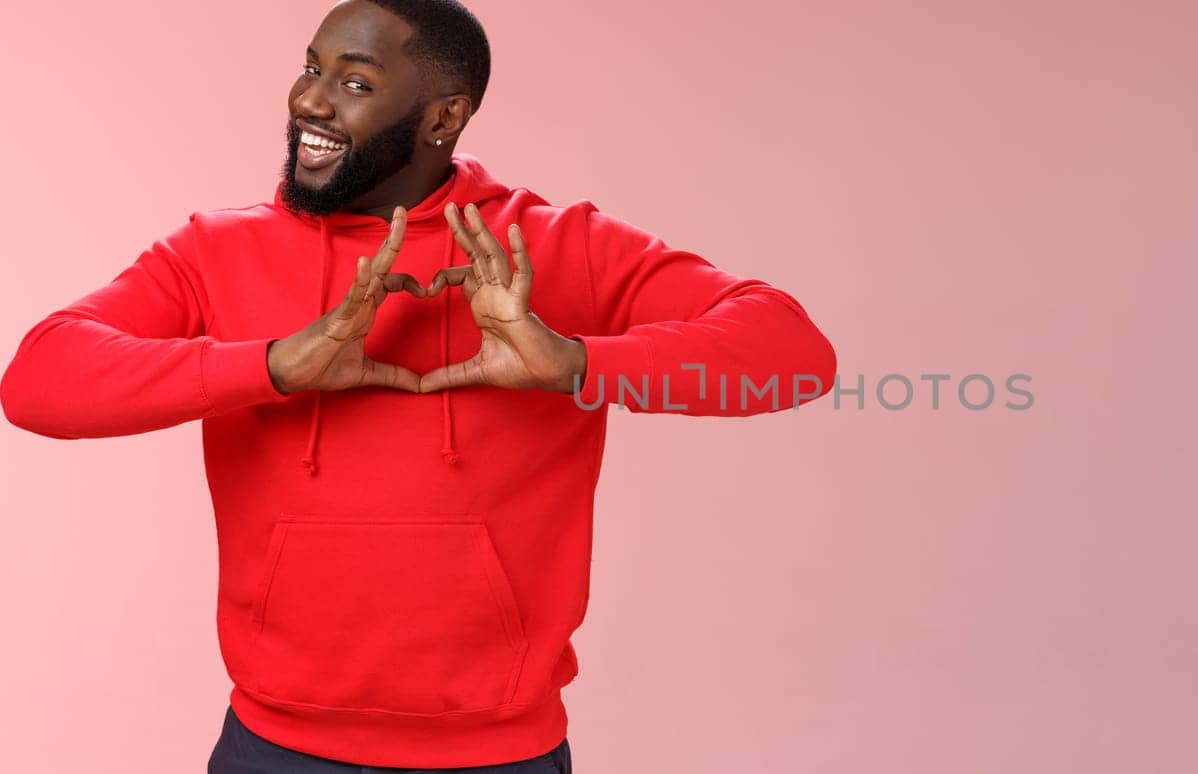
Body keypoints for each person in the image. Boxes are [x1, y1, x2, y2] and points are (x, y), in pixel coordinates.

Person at [0, 0, 837, 771]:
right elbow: (40, 379)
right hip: (274, 749)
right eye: (312, 67)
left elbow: (793, 353)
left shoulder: (554, 244)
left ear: (443, 115)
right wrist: (272, 367)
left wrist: (575, 364)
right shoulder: (213, 251)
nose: (309, 101)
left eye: (354, 82)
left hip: (500, 754)